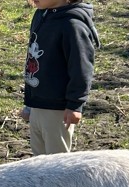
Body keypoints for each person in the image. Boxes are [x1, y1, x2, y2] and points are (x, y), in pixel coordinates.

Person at [21, 0, 100, 155]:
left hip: (58, 109)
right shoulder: (41, 14)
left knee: (56, 162)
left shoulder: (72, 25)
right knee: (37, 160)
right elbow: (36, 62)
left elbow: (81, 68)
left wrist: (74, 105)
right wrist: (30, 104)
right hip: (38, 103)